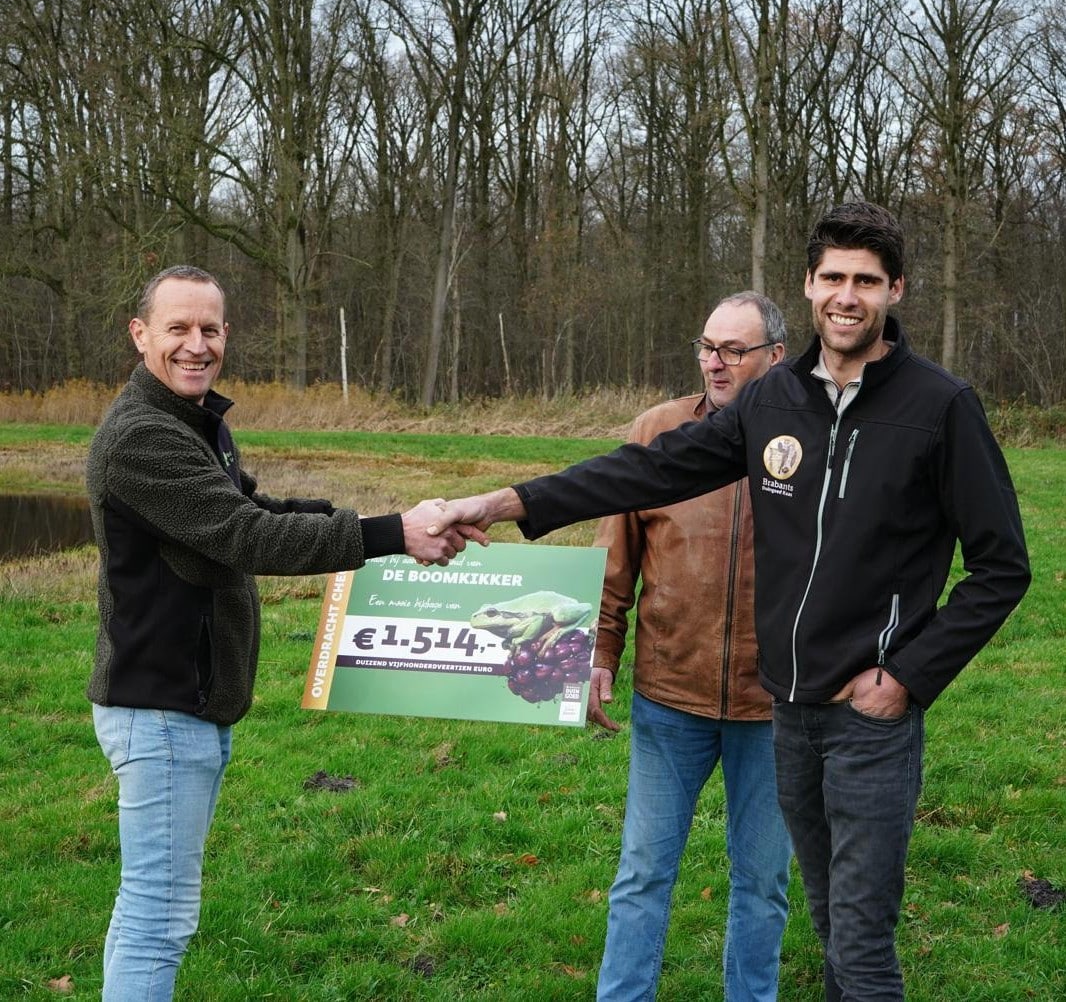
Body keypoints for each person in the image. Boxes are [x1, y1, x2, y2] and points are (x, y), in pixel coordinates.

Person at [431, 202, 1031, 1001]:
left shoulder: (939, 406)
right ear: (810, 285)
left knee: (858, 942)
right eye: (832, 278)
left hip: (868, 716)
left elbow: (1002, 566)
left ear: (896, 291)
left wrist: (907, 676)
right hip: (788, 713)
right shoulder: (774, 399)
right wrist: (506, 502)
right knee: (825, 919)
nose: (846, 296)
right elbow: (644, 472)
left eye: (866, 280)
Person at [86, 265, 481, 1002]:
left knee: (146, 907)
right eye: (177, 328)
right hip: (161, 708)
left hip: (188, 704)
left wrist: (395, 521)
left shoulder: (193, 419)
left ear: (226, 335)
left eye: (209, 329)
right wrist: (396, 533)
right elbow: (250, 538)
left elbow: (257, 506)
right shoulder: (142, 438)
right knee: (157, 918)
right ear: (140, 335)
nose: (195, 345)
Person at [590, 292, 791, 1002]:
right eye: (707, 345)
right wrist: (601, 653)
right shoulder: (658, 430)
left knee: (764, 882)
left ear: (776, 356)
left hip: (776, 708)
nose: (715, 361)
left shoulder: (816, 437)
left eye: (734, 349)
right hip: (670, 697)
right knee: (643, 872)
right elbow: (616, 559)